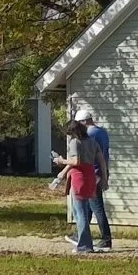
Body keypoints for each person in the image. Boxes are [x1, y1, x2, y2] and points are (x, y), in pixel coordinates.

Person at [53, 118, 107, 254]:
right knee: (84, 210)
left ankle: (84, 245)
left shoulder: (75, 142)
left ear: (73, 132)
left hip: (79, 177)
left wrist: (61, 161)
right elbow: (101, 160)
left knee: (80, 212)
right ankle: (86, 242)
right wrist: (105, 179)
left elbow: (75, 161)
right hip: (91, 176)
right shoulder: (92, 141)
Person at [76, 107, 112, 250]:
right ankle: (80, 234)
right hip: (101, 171)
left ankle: (106, 239)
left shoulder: (90, 134)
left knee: (97, 207)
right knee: (89, 207)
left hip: (93, 173)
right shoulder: (102, 131)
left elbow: (89, 154)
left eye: (79, 123)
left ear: (84, 121)